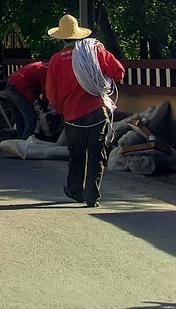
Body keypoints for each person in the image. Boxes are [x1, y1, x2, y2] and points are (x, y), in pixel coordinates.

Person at [44, 14, 125, 207]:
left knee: (76, 155)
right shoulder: (94, 50)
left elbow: (51, 92)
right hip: (97, 111)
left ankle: (75, 190)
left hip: (72, 116)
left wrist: (60, 108)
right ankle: (92, 195)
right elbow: (118, 72)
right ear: (79, 35)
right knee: (96, 155)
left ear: (62, 38)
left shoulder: (56, 60)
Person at [5, 60, 49, 140]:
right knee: (31, 117)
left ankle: (20, 140)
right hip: (18, 88)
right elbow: (45, 90)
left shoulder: (41, 66)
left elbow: (37, 88)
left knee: (19, 118)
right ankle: (26, 140)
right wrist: (45, 105)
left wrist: (41, 102)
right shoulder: (46, 70)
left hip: (11, 83)